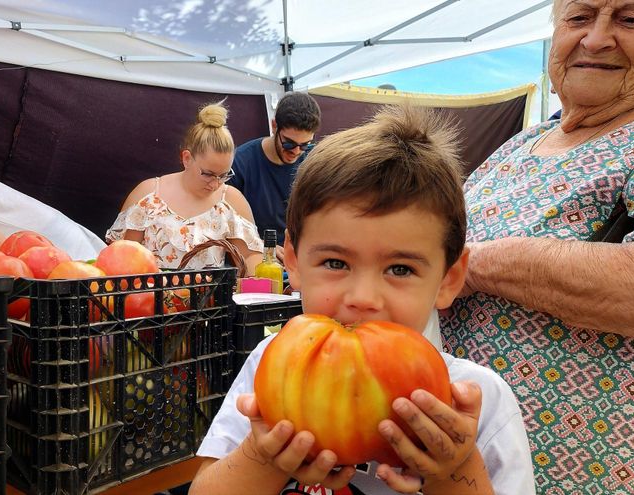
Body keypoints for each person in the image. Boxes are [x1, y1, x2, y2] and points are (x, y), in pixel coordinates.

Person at [191, 105, 534, 495]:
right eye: (335, 262)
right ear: (292, 261)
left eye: (400, 269)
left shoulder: (474, 400)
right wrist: (262, 457)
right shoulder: (272, 367)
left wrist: (454, 471)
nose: (363, 299)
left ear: (449, 278)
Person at [440, 1, 634, 493]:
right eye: (579, 18)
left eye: (631, 19)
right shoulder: (520, 145)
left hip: (585, 469)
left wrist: (479, 265)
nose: (595, 39)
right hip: (466, 461)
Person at [106, 102, 263, 273]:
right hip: (150, 298)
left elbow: (252, 257)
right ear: (187, 158)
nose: (216, 184)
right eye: (208, 174)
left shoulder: (232, 200)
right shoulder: (147, 195)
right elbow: (120, 257)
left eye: (224, 175)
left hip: (209, 299)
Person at [228, 91, 321, 249]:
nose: (296, 151)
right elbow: (226, 225)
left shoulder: (314, 162)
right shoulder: (241, 163)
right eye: (289, 144)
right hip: (255, 257)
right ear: (274, 126)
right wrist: (262, 246)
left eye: (306, 145)